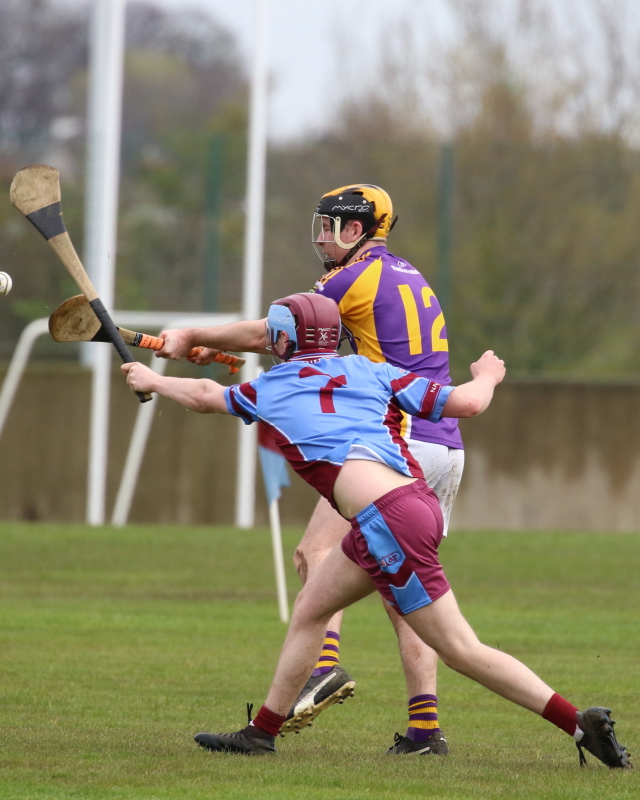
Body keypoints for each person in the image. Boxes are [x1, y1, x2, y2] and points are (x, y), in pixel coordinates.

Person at [122, 293, 631, 768]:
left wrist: (154, 380)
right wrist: (488, 374)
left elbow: (208, 395)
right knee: (312, 608)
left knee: (460, 649)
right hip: (408, 505)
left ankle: (579, 726)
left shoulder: (272, 386)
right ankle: (261, 733)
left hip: (388, 520)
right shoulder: (370, 369)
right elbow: (468, 404)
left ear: (281, 341)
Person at [156, 185, 462, 752]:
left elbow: (277, 332)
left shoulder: (351, 277)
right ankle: (425, 728)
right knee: (405, 593)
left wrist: (192, 335)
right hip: (446, 442)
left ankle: (324, 668)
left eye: (334, 225)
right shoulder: (406, 273)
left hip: (397, 440)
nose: (322, 234)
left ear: (361, 230)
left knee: (314, 555)